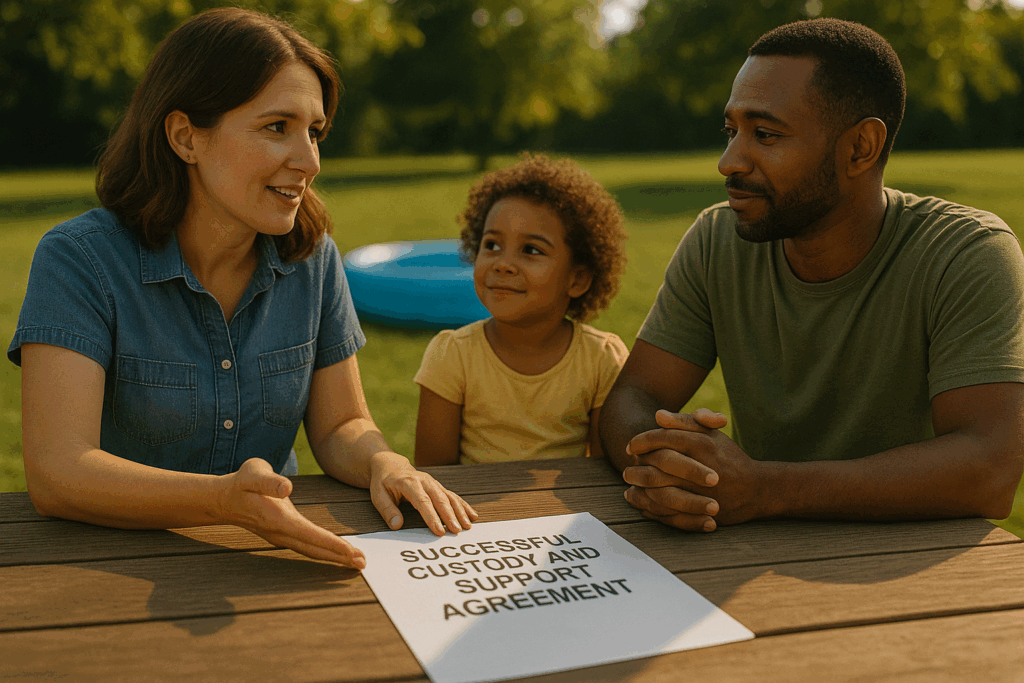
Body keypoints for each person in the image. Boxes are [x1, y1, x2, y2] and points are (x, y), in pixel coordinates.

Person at [7, 7, 477, 569]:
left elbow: (341, 426)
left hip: (265, 561)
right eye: (276, 127)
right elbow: (59, 472)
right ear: (186, 137)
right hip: (108, 569)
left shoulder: (313, 258)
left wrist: (385, 462)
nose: (309, 160)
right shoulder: (79, 260)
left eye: (315, 132)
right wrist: (223, 502)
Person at [599, 18, 1024, 532]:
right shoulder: (718, 241)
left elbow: (989, 470)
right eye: (731, 131)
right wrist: (672, 466)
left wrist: (764, 489)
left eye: (766, 134)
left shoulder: (964, 254)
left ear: (860, 148)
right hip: (757, 557)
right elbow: (632, 398)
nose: (728, 161)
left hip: (916, 564)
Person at [414, 154, 629, 465]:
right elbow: (433, 474)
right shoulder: (452, 355)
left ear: (577, 279)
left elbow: (603, 475)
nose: (503, 264)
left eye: (531, 250)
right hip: (468, 512)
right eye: (492, 245)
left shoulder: (601, 360)